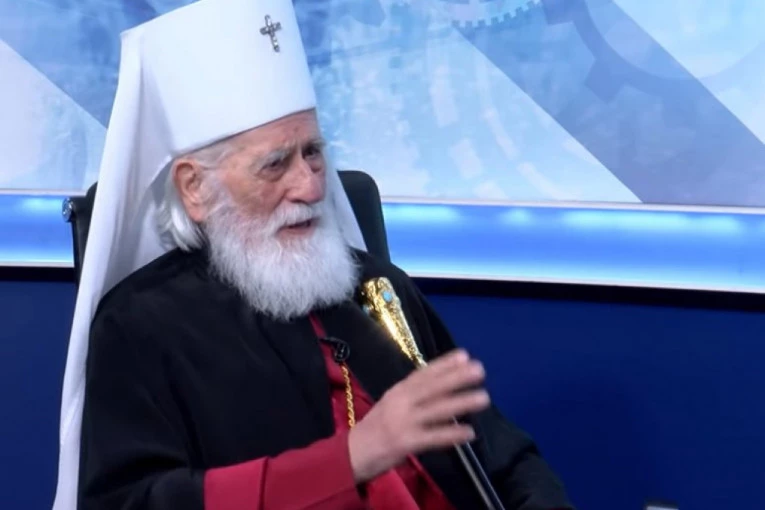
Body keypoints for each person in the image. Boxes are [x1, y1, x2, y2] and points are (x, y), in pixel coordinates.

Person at [52, 1, 574, 509]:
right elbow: (139, 501)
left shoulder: (376, 288)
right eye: (275, 164)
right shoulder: (139, 326)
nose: (309, 186)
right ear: (195, 188)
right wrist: (351, 459)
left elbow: (505, 459)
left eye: (314, 153)